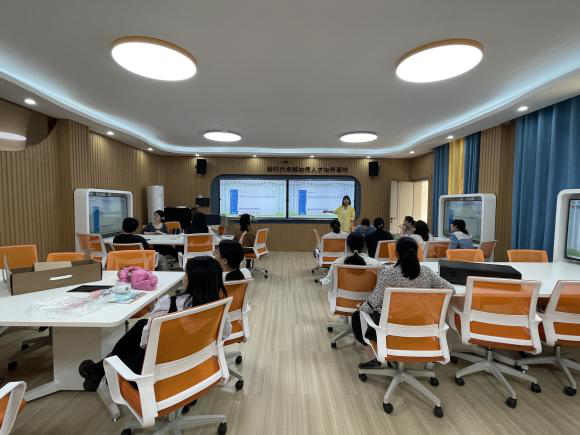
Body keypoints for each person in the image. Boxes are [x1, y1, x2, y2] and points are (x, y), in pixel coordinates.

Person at [78, 256, 230, 391]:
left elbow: (145, 343)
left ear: (193, 279)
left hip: (156, 373)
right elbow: (225, 334)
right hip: (195, 363)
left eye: (186, 274)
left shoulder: (169, 303)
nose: (184, 278)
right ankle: (96, 371)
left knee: (139, 333)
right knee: (141, 326)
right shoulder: (219, 306)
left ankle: (98, 370)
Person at [351, 238, 454, 368]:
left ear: (396, 253)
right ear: (416, 253)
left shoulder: (388, 273)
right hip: (421, 324)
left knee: (357, 316)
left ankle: (375, 359)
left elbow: (374, 301)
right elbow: (451, 289)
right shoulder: (427, 272)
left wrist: (363, 307)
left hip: (391, 327)